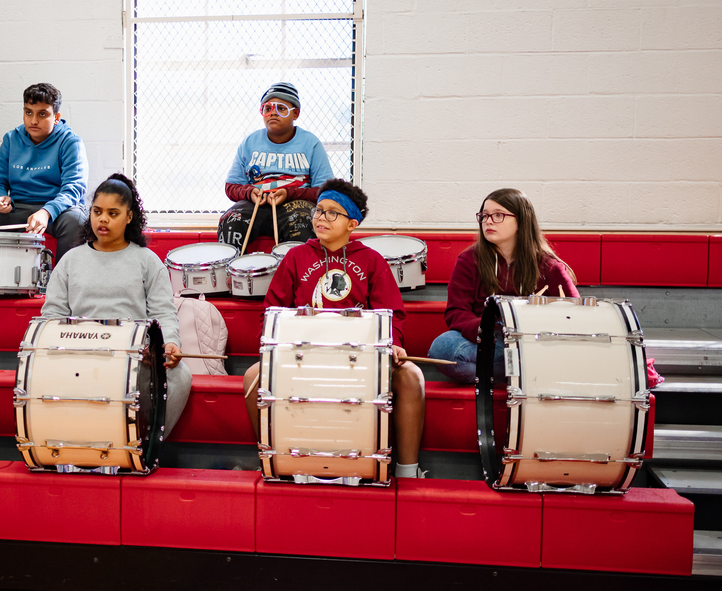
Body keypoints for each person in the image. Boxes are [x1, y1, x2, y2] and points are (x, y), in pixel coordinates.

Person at [243, 179, 427, 479]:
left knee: (412, 376)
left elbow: (392, 313)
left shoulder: (371, 261)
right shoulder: (295, 258)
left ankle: (407, 472)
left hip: (361, 360)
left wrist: (392, 342)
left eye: (332, 213)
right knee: (252, 377)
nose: (320, 218)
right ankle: (274, 457)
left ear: (352, 223)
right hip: (303, 357)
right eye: (319, 211)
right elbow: (272, 312)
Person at [41, 174, 192, 436]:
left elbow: (163, 313)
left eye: (113, 213)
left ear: (129, 216)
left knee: (180, 376)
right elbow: (52, 315)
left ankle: (144, 445)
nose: (103, 219)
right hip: (80, 355)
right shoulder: (69, 261)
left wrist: (169, 344)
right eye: (97, 211)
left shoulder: (148, 261)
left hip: (133, 358)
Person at [428, 187, 579, 383]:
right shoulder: (469, 259)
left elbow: (575, 315)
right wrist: (484, 329)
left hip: (532, 343)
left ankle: (518, 372)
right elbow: (456, 311)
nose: (488, 221)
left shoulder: (550, 267)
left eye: (498, 215)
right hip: (486, 341)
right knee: (442, 348)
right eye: (484, 216)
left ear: (521, 221)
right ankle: (525, 375)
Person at [0, 83, 88, 263]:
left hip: (57, 211)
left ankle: (62, 282)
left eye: (42, 114)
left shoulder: (71, 142)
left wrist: (46, 212)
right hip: (19, 208)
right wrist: (0, 198)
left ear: (56, 117)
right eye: (28, 112)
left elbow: (73, 188)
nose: (33, 120)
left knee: (77, 223)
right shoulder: (12, 139)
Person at [218, 82, 334, 250]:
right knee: (230, 221)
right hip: (256, 203)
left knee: (302, 222)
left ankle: (298, 275)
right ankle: (232, 275)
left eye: (281, 108)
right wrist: (250, 192)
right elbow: (231, 186)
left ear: (296, 113)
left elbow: (325, 190)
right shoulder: (250, 142)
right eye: (267, 108)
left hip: (295, 202)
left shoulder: (311, 143)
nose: (273, 113)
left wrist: (289, 193)